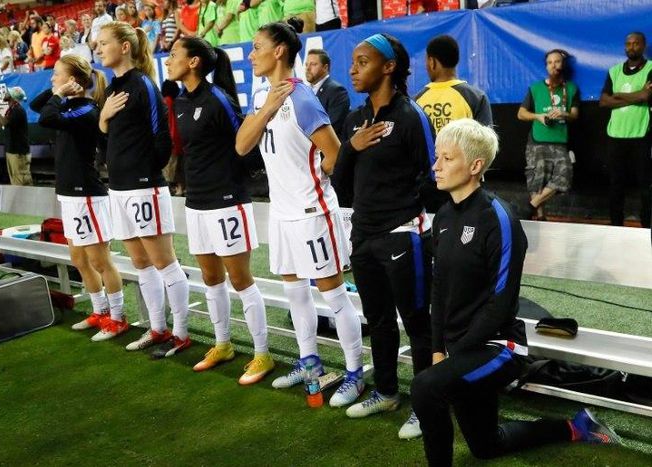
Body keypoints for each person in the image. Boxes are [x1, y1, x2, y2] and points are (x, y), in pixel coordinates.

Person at [411, 118, 621, 467]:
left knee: (425, 387)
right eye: (437, 157)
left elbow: (501, 303)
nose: (436, 166)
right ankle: (574, 426)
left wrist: (454, 353)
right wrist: (437, 349)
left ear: (475, 165)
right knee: (486, 446)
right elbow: (440, 289)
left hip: (499, 347)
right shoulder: (444, 216)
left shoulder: (499, 218)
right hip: (460, 347)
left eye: (447, 158)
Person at [236, 19, 364, 406]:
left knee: (335, 296)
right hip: (281, 213)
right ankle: (311, 365)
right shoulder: (263, 96)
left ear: (279, 51)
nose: (250, 54)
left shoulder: (303, 98)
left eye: (257, 46)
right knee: (295, 293)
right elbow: (242, 146)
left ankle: (355, 373)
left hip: (312, 212)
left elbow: (337, 154)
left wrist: (315, 182)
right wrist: (267, 108)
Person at [334, 33, 434, 440]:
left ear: (389, 67)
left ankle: (427, 406)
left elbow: (433, 175)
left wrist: (408, 213)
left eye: (363, 62)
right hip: (364, 234)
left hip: (401, 234)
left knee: (417, 322)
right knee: (378, 320)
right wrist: (352, 147)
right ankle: (388, 391)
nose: (353, 69)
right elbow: (340, 184)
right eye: (353, 62)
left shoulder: (411, 117)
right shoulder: (355, 120)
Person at [166, 36, 275, 384]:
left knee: (241, 280)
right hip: (196, 202)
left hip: (227, 200)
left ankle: (262, 354)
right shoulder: (181, 100)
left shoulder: (218, 99)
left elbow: (245, 143)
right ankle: (223, 344)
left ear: (194, 61)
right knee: (211, 279)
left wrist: (240, 184)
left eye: (173, 54)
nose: (168, 60)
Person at [96, 21, 191, 358]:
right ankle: (157, 328)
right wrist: (103, 119)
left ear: (125, 47)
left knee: (164, 262)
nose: (98, 48)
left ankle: (180, 333)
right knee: (140, 263)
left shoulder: (143, 85)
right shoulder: (111, 90)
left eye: (104, 42)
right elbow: (111, 138)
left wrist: (144, 173)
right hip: (118, 189)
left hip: (143, 188)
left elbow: (161, 138)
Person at [29, 55, 128, 341]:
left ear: (73, 80)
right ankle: (99, 311)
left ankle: (118, 317)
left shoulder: (85, 110)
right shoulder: (70, 106)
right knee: (79, 259)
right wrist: (59, 91)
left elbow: (46, 116)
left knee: (100, 261)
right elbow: (37, 106)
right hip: (69, 196)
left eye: (56, 75)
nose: (51, 79)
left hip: (87, 196)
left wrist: (60, 94)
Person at [517, 49, 580, 221]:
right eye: (550, 62)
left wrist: (563, 114)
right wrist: (538, 116)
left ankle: (530, 206)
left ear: (563, 64)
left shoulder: (571, 89)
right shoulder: (535, 88)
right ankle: (540, 217)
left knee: (565, 177)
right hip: (537, 141)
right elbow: (521, 113)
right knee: (537, 181)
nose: (554, 65)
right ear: (546, 66)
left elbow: (574, 115)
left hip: (560, 141)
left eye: (557, 62)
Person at [599, 31, 652, 228]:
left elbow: (647, 97)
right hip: (616, 135)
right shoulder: (614, 71)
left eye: (636, 43)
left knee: (645, 187)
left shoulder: (651, 68)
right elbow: (603, 101)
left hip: (641, 135)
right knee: (615, 185)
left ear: (643, 46)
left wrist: (619, 95)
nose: (631, 47)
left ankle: (647, 227)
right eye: (628, 44)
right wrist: (637, 95)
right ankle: (616, 226)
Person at [415, 35, 492, 132]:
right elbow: (487, 143)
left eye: (426, 60)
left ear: (432, 62)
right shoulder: (477, 97)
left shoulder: (416, 102)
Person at [0, 87, 33, 186]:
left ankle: (24, 200)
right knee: (15, 179)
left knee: (21, 180)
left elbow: (4, 122)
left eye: (8, 92)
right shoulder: (12, 109)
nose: (6, 93)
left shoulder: (17, 110)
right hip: (12, 150)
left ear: (12, 97)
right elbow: (1, 124)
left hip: (18, 151)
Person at [305, 49, 349, 141]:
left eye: (313, 64)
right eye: (306, 64)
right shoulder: (305, 91)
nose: (308, 68)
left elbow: (332, 127)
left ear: (325, 67)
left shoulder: (337, 91)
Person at [90, 1, 114, 65]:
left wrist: (95, 42)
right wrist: (91, 43)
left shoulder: (108, 18)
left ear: (105, 7)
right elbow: (92, 33)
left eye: (100, 6)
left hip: (104, 48)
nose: (97, 8)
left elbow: (107, 33)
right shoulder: (94, 20)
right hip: (95, 49)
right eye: (96, 6)